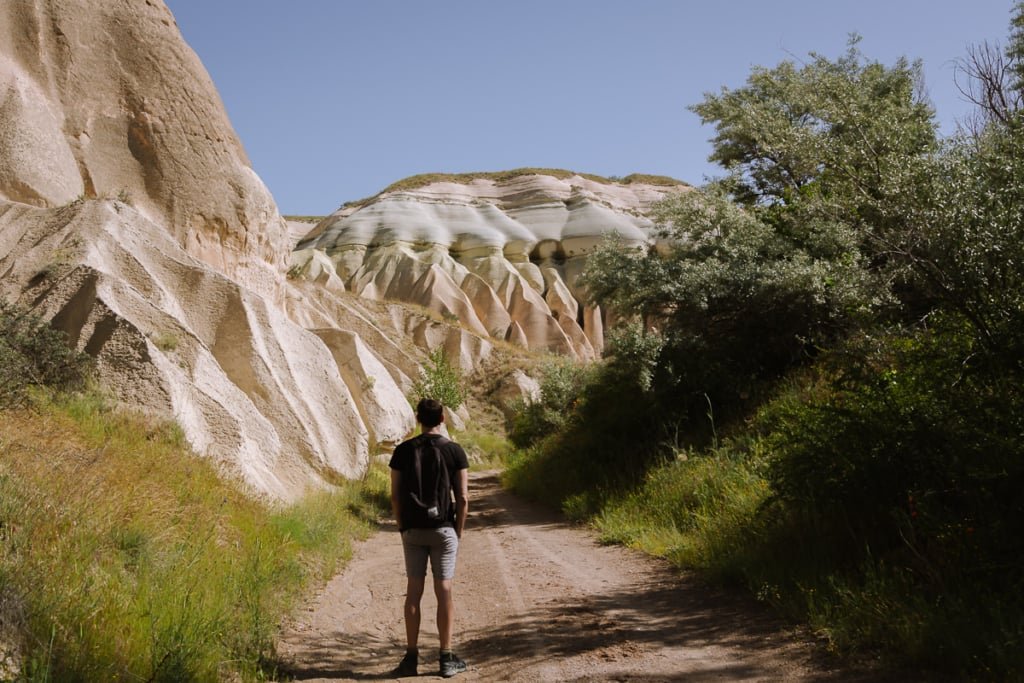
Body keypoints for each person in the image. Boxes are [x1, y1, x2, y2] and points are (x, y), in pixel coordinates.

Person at [389, 398, 470, 678]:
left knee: (414, 590)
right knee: (444, 590)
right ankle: (446, 658)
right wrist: (457, 531)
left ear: (418, 419)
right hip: (444, 529)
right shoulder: (455, 451)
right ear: (443, 419)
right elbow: (462, 497)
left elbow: (395, 496)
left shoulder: (402, 451)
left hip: (412, 530)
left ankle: (410, 659)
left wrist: (402, 526)